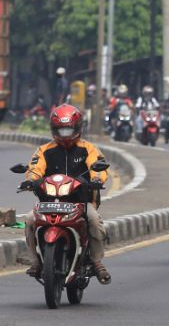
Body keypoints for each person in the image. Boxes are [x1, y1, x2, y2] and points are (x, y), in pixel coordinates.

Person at [23, 105, 111, 284]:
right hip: (50, 202)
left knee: (94, 221)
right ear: (54, 130)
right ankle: (35, 261)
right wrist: (31, 180)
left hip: (80, 202)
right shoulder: (44, 150)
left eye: (68, 130)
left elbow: (99, 167)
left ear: (77, 128)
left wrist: (97, 179)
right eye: (61, 130)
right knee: (29, 219)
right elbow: (34, 169)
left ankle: (96, 261)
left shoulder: (89, 149)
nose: (65, 134)